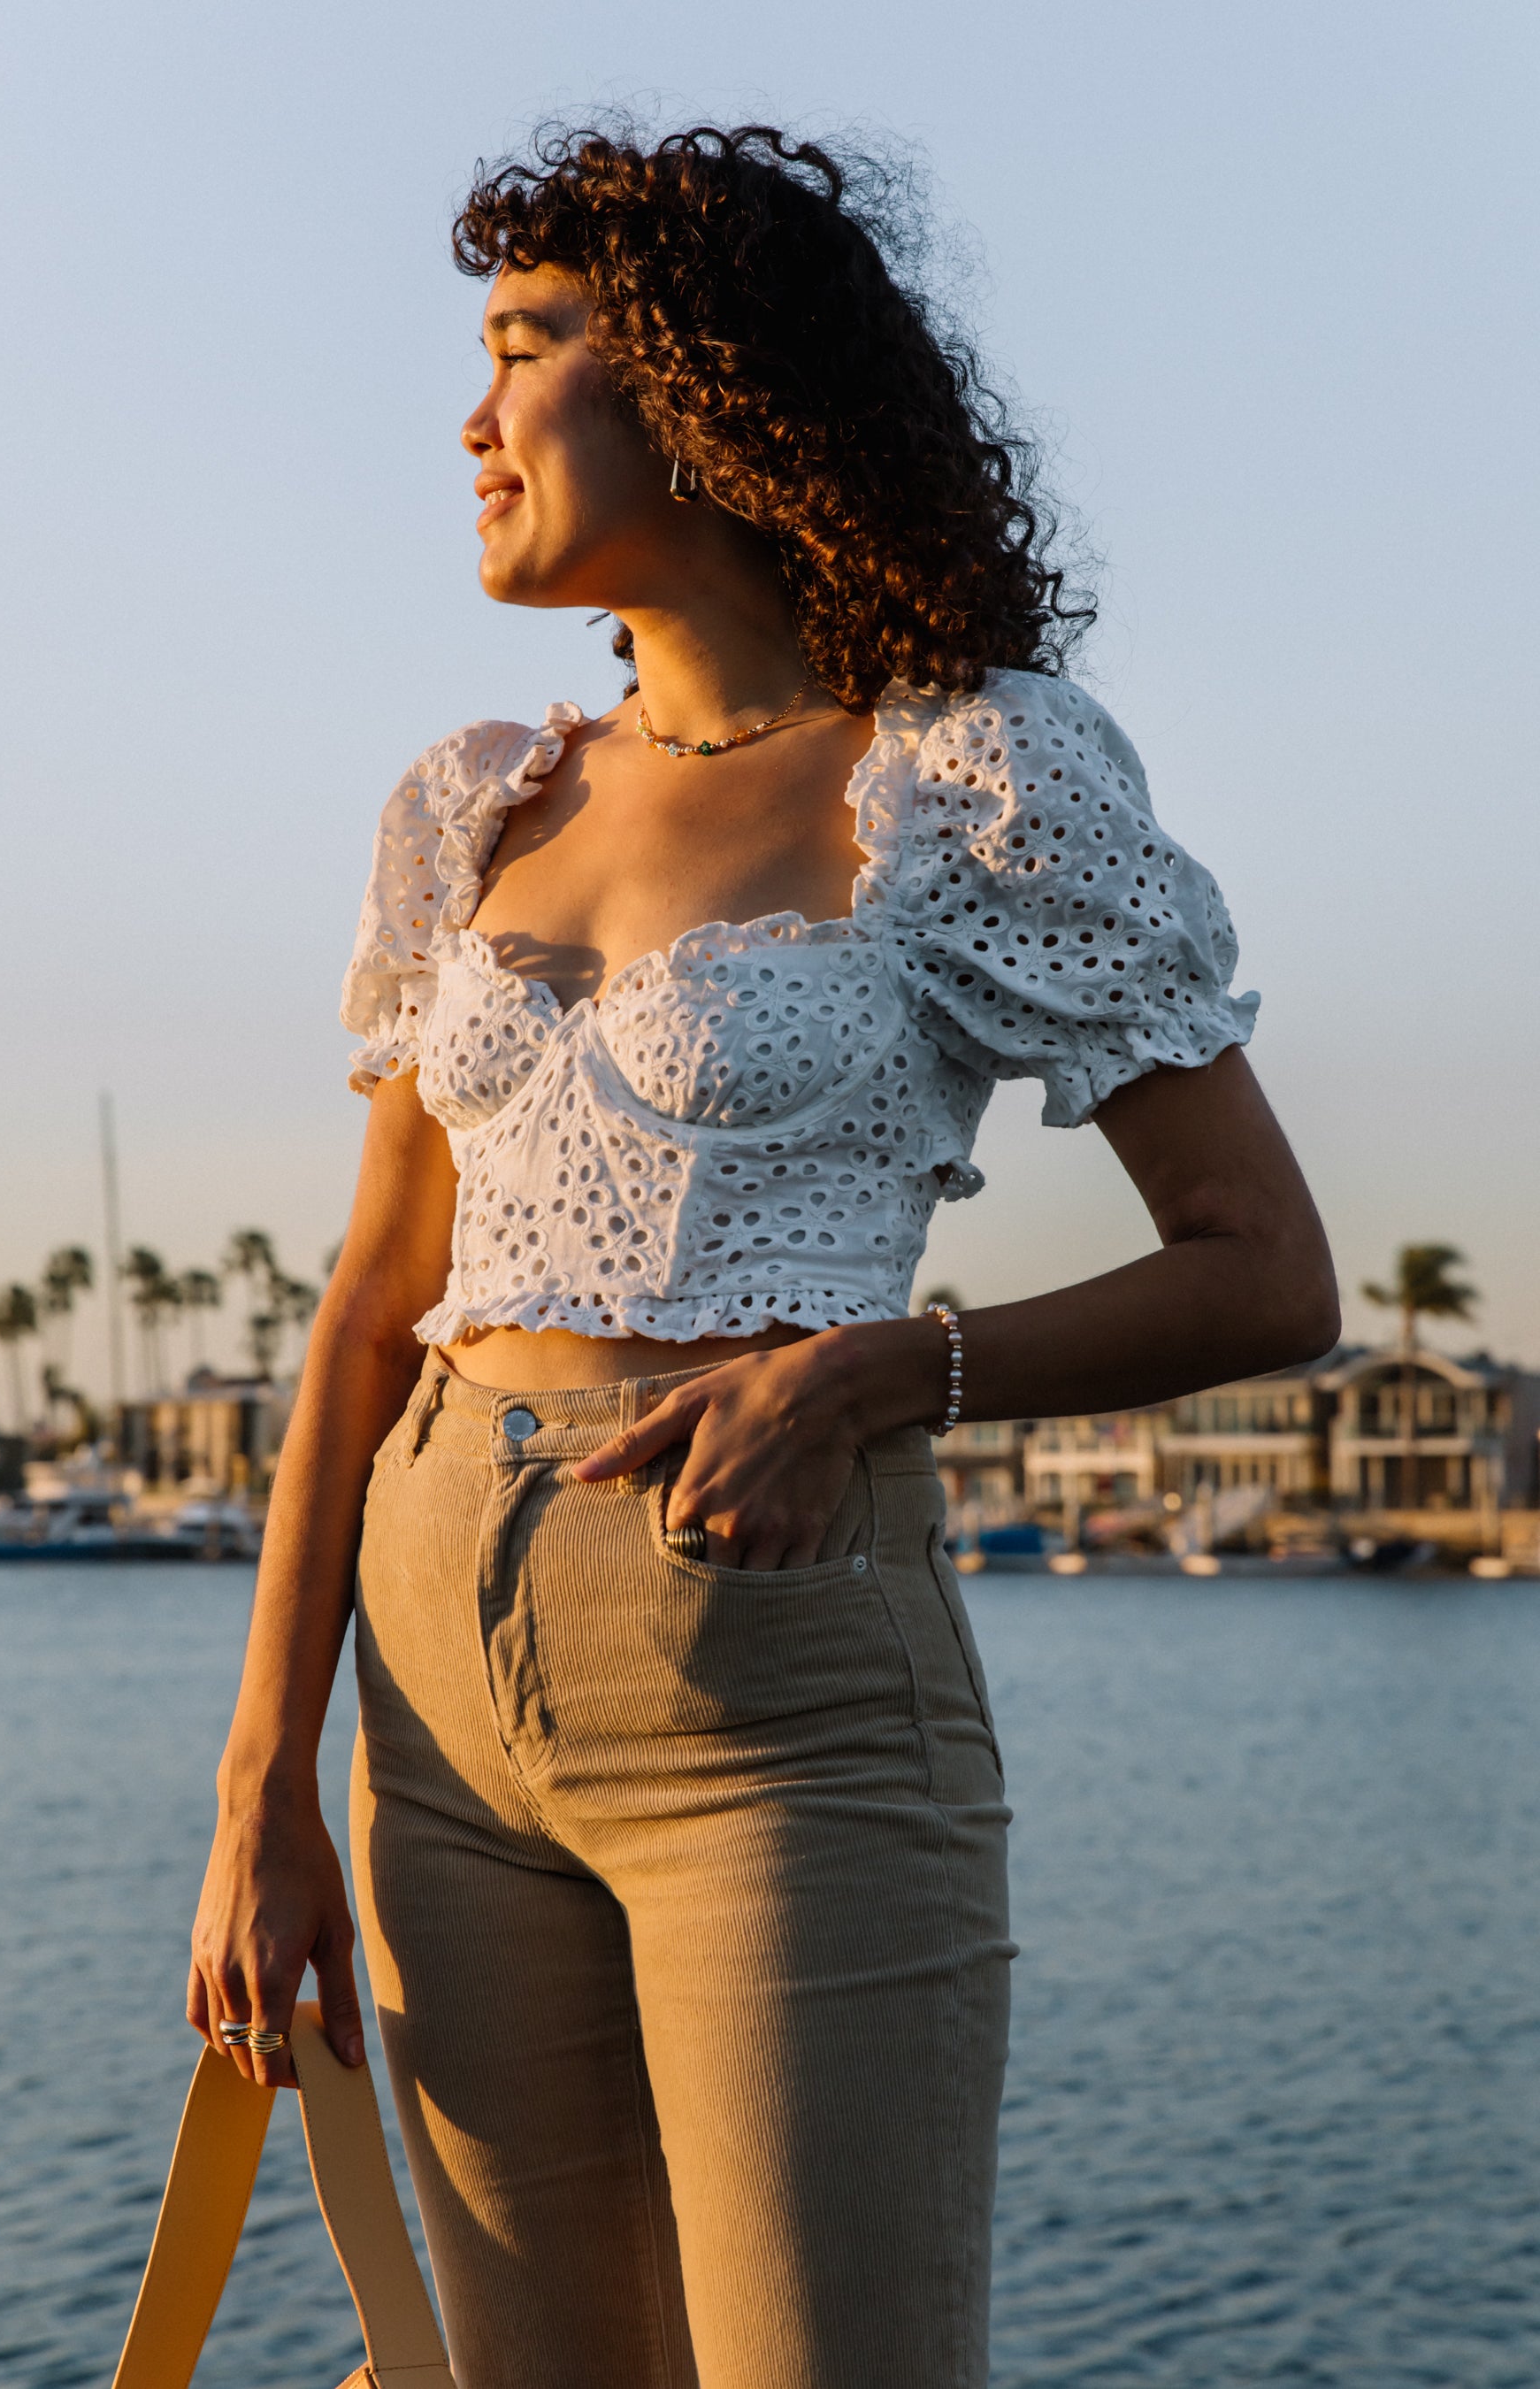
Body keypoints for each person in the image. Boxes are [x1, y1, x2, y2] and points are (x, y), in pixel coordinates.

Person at [188, 125, 1339, 2389]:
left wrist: (880, 1372)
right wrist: (257, 1794)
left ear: (710, 398)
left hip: (782, 1705)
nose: (470, 415)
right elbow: (363, 1313)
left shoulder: (964, 779)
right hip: (430, 1706)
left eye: (526, 351)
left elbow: (1265, 1269)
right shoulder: (468, 802)